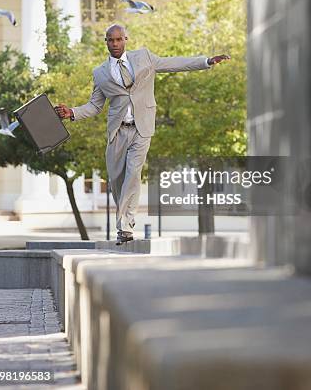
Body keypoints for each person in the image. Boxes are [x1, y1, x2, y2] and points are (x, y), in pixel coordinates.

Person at [55, 23, 230, 244]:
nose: (115, 43)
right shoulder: (100, 73)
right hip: (118, 131)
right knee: (117, 181)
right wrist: (71, 112)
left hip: (142, 128)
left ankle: (125, 228)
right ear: (106, 42)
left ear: (125, 39)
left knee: (133, 175)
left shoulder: (145, 57)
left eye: (119, 39)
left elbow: (174, 63)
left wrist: (205, 61)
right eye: (111, 40)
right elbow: (95, 106)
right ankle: (124, 223)